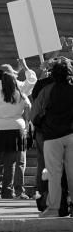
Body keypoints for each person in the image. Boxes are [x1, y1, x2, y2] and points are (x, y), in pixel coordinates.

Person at [30, 57, 73, 218]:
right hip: (71, 135)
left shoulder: (46, 89)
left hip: (52, 137)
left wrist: (42, 125)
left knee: (54, 174)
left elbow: (33, 114)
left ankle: (53, 208)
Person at [0, 72, 31, 199]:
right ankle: (15, 191)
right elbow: (29, 107)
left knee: (0, 161)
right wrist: (26, 121)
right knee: (16, 162)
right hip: (17, 128)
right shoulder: (21, 95)